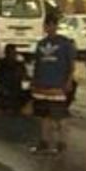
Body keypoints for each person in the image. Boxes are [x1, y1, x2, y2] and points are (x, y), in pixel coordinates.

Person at [30, 15, 76, 154]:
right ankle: (44, 142)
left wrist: (68, 81)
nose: (49, 28)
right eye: (47, 25)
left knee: (60, 116)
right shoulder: (41, 44)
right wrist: (34, 82)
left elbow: (71, 64)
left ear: (56, 26)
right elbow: (37, 65)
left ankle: (62, 143)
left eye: (51, 25)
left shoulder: (65, 43)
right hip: (42, 85)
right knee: (44, 116)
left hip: (58, 85)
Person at [0, 44, 30, 115]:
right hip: (3, 91)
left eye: (13, 53)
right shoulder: (0, 64)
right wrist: (1, 89)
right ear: (6, 53)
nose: (12, 55)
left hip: (16, 91)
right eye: (10, 52)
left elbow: (25, 78)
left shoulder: (19, 65)